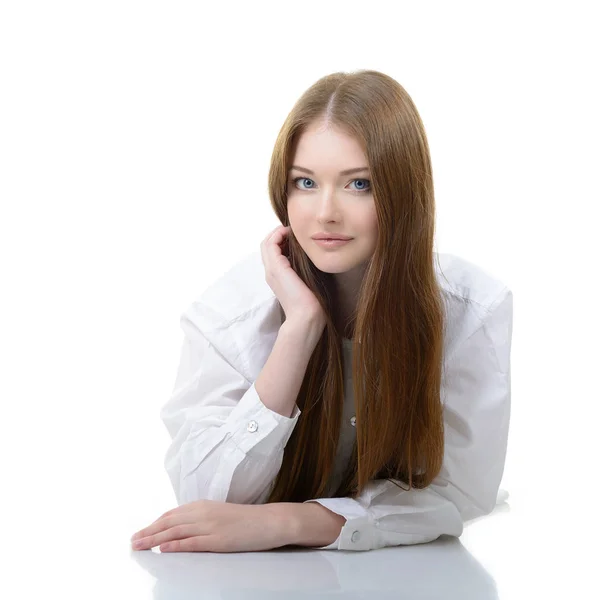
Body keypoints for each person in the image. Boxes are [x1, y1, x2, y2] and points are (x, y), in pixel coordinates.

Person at [130, 69, 513, 553]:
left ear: (403, 193)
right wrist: (300, 329)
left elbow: (462, 493)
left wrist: (297, 523)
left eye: (359, 185)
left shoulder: (472, 310)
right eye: (305, 182)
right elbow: (209, 502)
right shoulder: (230, 315)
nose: (325, 212)